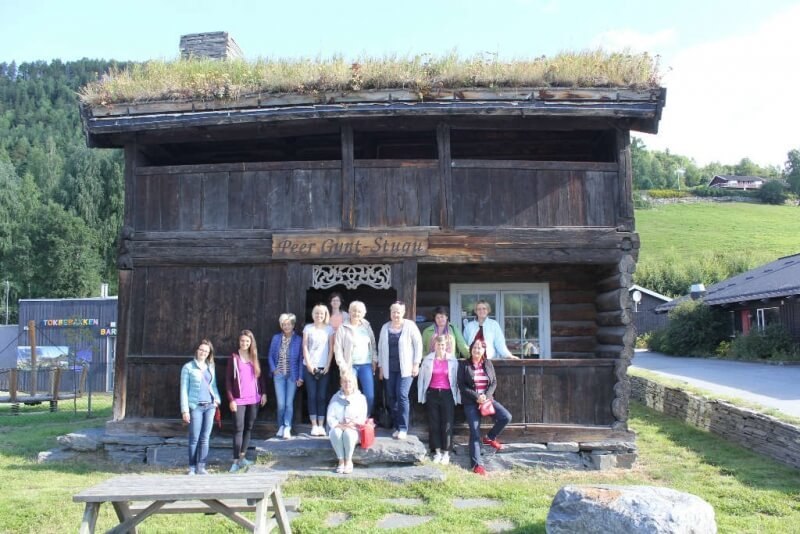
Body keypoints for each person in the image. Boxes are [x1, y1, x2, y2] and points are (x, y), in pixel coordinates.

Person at [457, 338, 512, 476]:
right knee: (475, 432)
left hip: (487, 400)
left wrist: (486, 396)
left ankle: (489, 437)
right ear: (471, 349)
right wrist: (477, 397)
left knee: (506, 417)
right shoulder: (464, 365)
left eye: (480, 348)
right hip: (471, 402)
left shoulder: (488, 363)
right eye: (475, 347)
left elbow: (493, 383)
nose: (477, 350)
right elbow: (462, 386)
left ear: (484, 350)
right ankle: (477, 465)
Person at [378, 301, 423, 440]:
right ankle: (397, 427)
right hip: (389, 368)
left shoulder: (410, 326)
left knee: (402, 395)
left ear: (403, 313)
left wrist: (416, 364)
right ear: (390, 312)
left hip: (406, 369)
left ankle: (403, 428)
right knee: (392, 397)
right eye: (393, 312)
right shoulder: (385, 327)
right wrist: (381, 367)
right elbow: (380, 348)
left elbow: (418, 345)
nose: (395, 314)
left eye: (398, 312)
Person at [226, 329, 267, 473]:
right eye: (242, 341)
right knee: (238, 429)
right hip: (239, 400)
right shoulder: (234, 357)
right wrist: (231, 399)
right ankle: (235, 461)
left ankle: (242, 457)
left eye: (247, 341)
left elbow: (260, 377)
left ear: (251, 343)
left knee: (248, 428)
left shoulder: (254, 356)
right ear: (239, 341)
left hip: (254, 399)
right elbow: (228, 381)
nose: (244, 343)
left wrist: (263, 393)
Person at [180, 339, 221, 475]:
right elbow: (183, 390)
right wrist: (185, 410)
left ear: (209, 353)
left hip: (210, 406)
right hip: (196, 406)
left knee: (205, 438)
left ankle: (201, 467)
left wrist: (217, 400)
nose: (203, 352)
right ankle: (192, 467)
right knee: (194, 438)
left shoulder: (211, 367)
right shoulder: (188, 367)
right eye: (201, 350)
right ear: (197, 350)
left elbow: (213, 386)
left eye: (206, 351)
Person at [417, 335, 460, 464]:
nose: (440, 347)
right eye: (438, 345)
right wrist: (421, 395)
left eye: (443, 345)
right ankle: (437, 452)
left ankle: (446, 453)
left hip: (447, 394)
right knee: (434, 423)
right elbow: (422, 379)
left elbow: (457, 379)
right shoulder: (428, 360)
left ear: (446, 346)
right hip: (432, 393)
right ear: (434, 345)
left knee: (447, 423)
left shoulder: (452, 360)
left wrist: (458, 396)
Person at [334, 300, 377, 416]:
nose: (356, 313)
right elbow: (337, 349)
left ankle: (365, 417)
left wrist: (374, 359)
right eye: (354, 311)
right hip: (349, 366)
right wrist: (342, 366)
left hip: (366, 365)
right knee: (349, 394)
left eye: (359, 311)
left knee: (369, 395)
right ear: (349, 312)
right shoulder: (343, 327)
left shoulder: (366, 326)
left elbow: (373, 344)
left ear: (363, 313)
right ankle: (349, 418)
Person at [268, 313, 304, 440]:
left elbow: (301, 360)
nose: (286, 326)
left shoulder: (298, 340)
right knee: (281, 404)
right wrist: (274, 370)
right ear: (281, 326)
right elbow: (270, 355)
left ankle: (287, 426)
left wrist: (300, 377)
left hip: (292, 376)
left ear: (293, 325)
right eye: (284, 324)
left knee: (289, 403)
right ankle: (281, 426)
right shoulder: (276, 338)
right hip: (279, 376)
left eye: (289, 324)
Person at [326, 371, 367, 474]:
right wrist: (338, 425)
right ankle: (341, 461)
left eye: (350, 381)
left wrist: (351, 424)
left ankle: (348, 461)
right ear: (341, 383)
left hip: (354, 428)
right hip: (338, 427)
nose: (347, 384)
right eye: (344, 381)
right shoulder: (335, 398)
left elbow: (362, 417)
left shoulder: (360, 398)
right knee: (336, 433)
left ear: (354, 384)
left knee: (348, 433)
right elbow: (330, 417)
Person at [303, 303, 334, 436]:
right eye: (316, 313)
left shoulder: (329, 329)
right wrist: (309, 365)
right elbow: (304, 347)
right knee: (312, 396)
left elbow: (331, 348)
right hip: (310, 366)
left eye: (321, 313)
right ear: (313, 314)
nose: (319, 315)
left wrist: (327, 365)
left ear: (325, 315)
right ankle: (314, 425)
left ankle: (321, 425)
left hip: (324, 367)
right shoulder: (308, 328)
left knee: (321, 396)